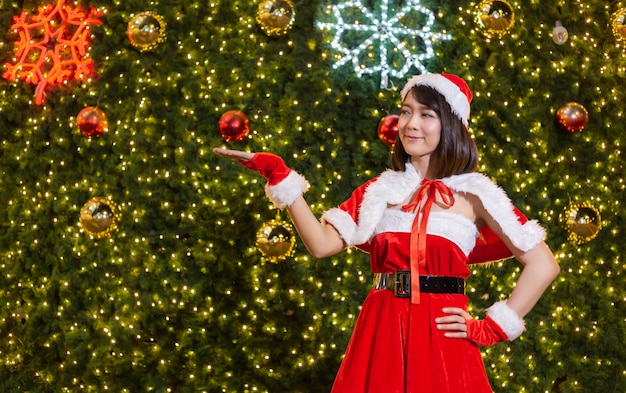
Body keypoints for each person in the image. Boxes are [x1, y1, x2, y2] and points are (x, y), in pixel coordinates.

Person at [213, 73, 560, 393]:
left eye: (426, 114)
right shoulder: (380, 190)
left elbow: (543, 265)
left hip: (441, 333)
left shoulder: (476, 194)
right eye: (406, 112)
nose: (411, 124)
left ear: (452, 125)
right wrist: (281, 177)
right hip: (381, 329)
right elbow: (321, 245)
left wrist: (491, 327)